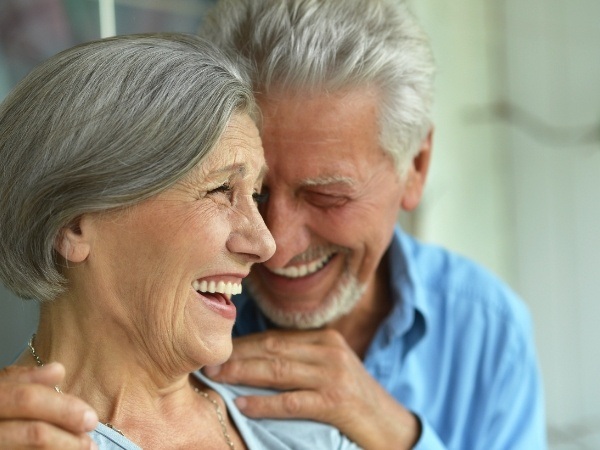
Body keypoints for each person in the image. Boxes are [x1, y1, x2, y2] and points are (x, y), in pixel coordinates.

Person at [195, 0, 548, 449]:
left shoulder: (485, 328)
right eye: (250, 193)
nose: (276, 245)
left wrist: (395, 432)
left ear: (415, 167)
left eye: (327, 196)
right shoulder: (173, 309)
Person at [0, 33, 362, 449]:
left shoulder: (304, 431)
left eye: (254, 196)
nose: (265, 243)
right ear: (73, 225)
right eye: (221, 189)